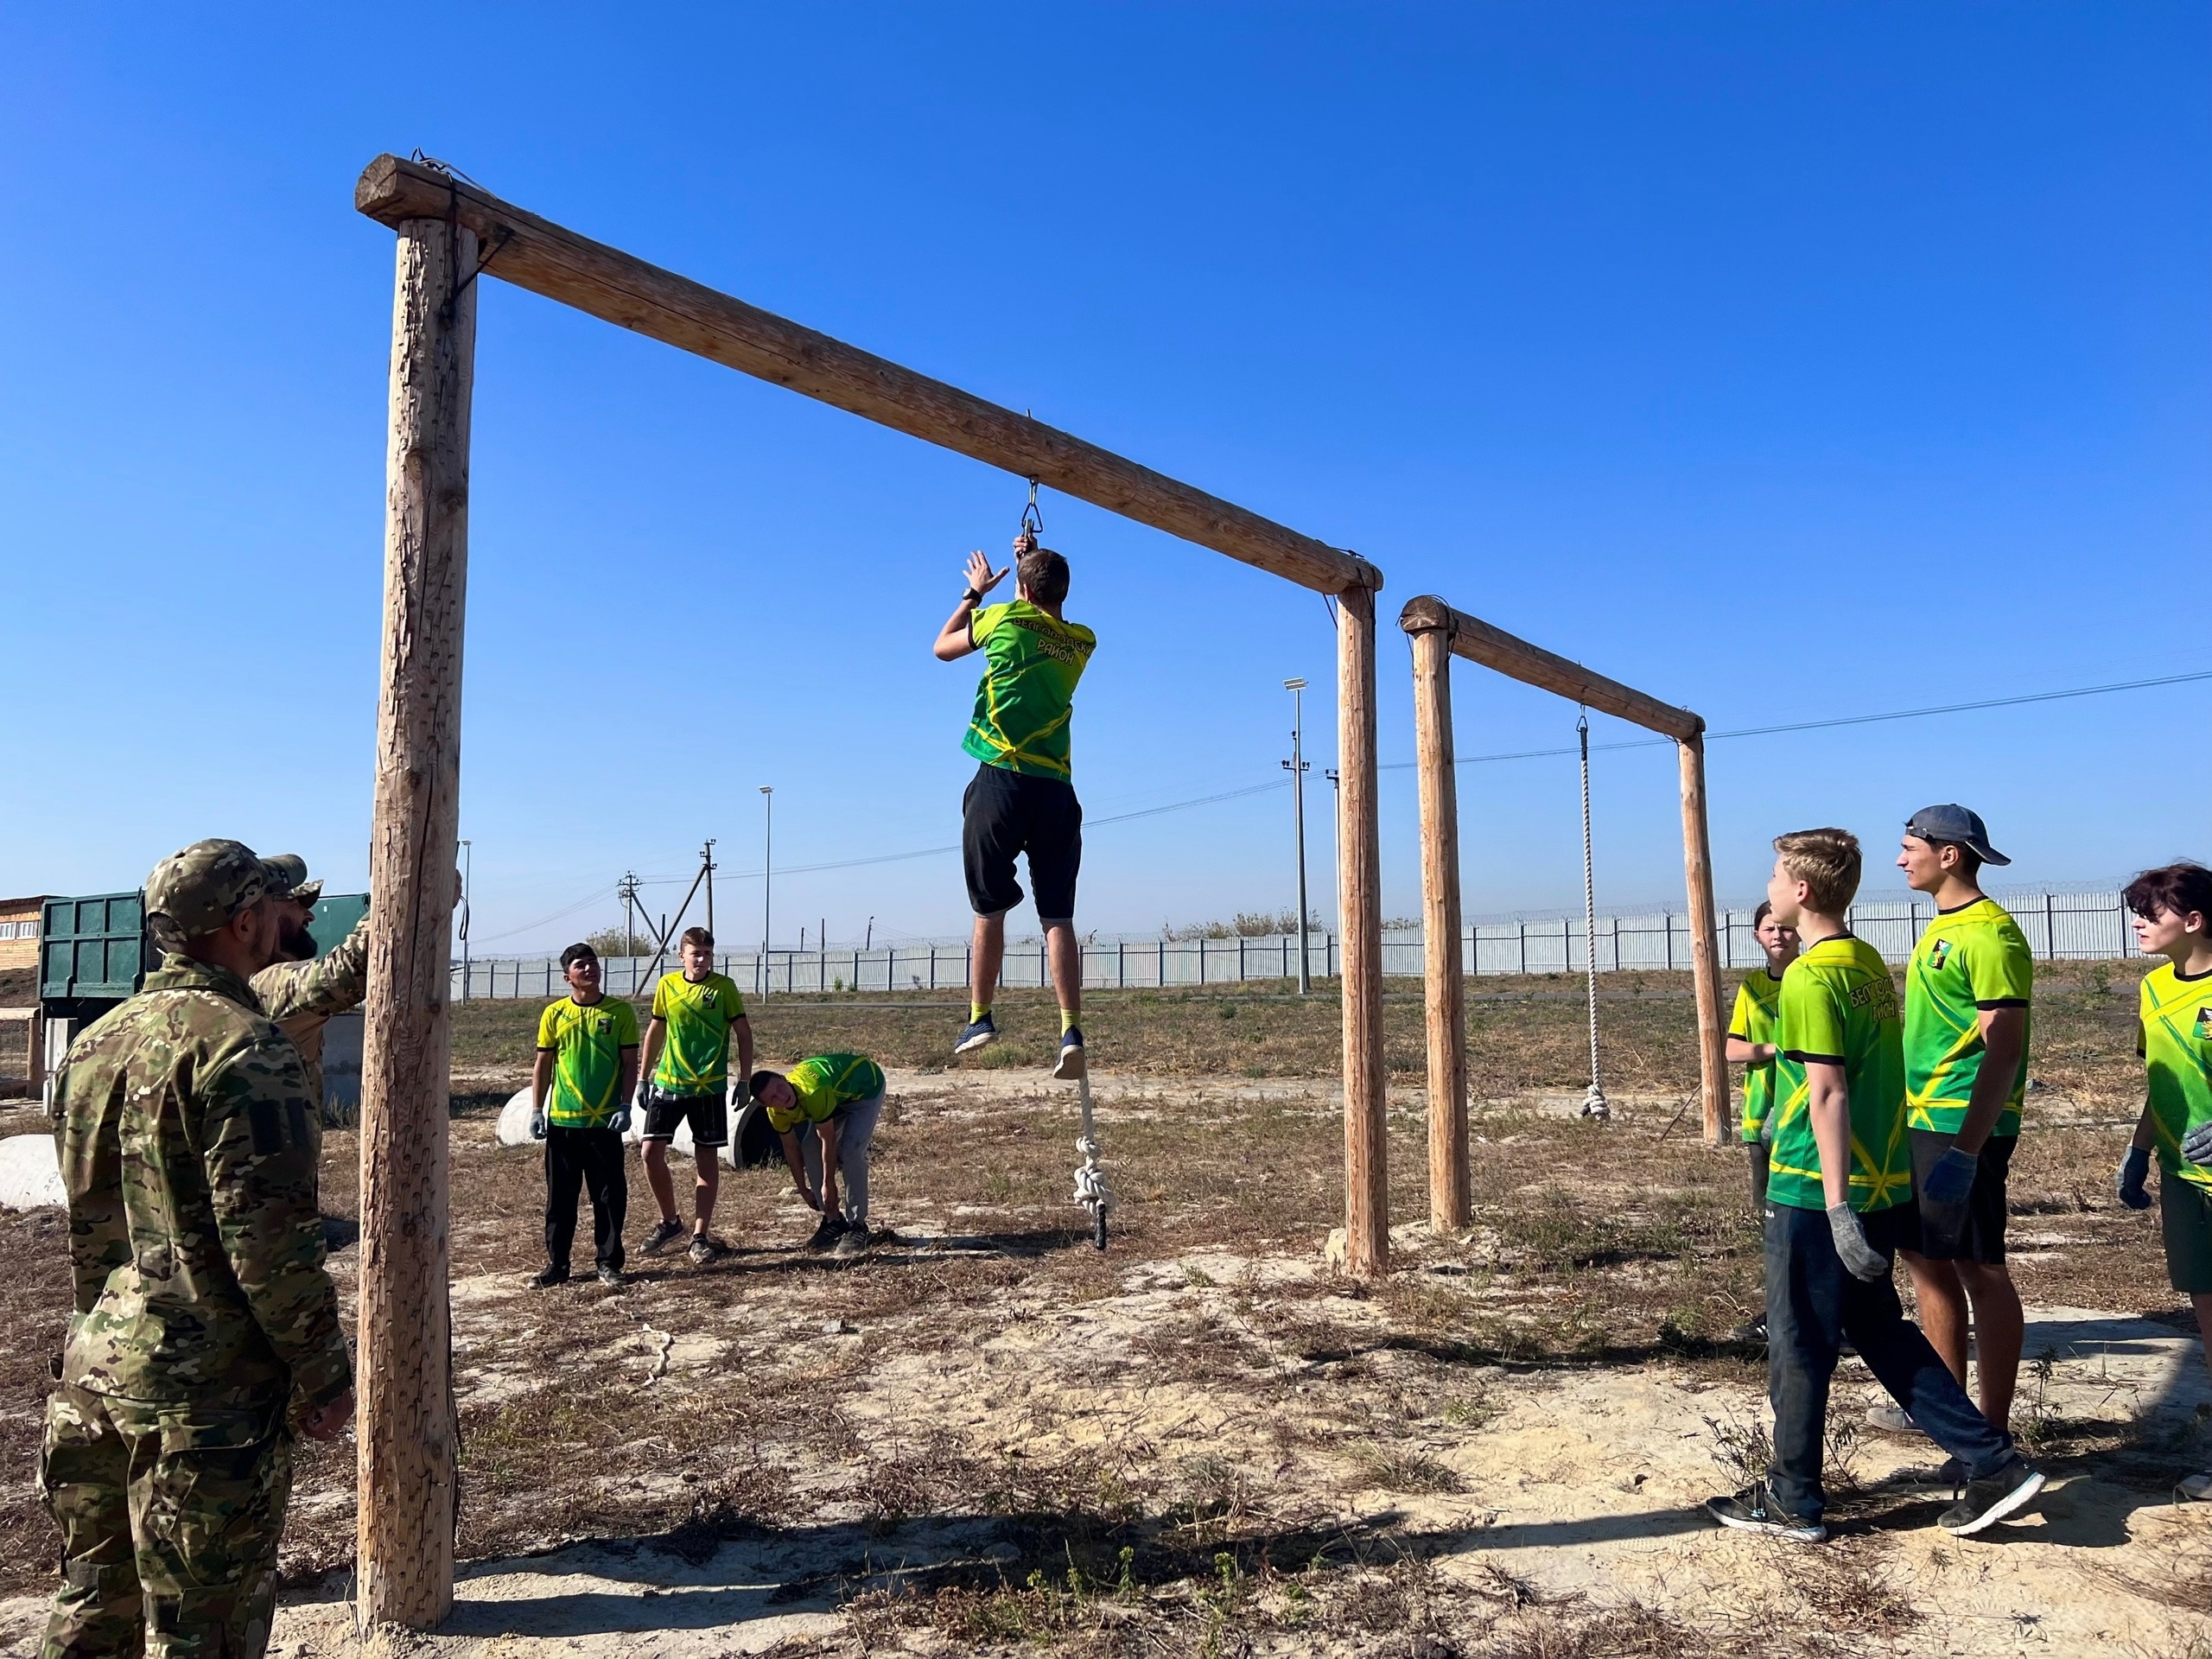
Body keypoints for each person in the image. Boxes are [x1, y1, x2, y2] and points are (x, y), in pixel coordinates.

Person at [41, 839, 354, 1659]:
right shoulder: (246, 1048)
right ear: (245, 920)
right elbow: (272, 1245)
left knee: (90, 1613)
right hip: (202, 1406)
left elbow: (91, 1230)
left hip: (94, 1378)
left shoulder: (94, 1045)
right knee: (202, 1634)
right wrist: (326, 1373)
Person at [1703, 827, 2041, 1543]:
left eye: (1773, 878)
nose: (1766, 890)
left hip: (1812, 1187)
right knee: (1880, 1331)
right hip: (1884, 1180)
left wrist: (1834, 1205)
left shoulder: (1810, 976)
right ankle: (1991, 1459)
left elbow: (1827, 1092)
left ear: (1800, 892)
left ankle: (1792, 1497)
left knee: (1799, 1340)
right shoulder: (1865, 963)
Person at [1882, 805, 2033, 1444]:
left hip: (1960, 1123)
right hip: (1923, 1118)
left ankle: (1990, 1428)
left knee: (1980, 1267)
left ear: (1950, 854)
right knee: (1924, 1259)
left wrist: (1968, 1149)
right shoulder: (1943, 927)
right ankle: (1947, 1413)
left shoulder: (1991, 935)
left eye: (1909, 845)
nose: (1900, 859)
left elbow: (2004, 1048)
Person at [932, 531, 1097, 1079]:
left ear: (1021, 590)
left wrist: (974, 594)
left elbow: (943, 646)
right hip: (1055, 790)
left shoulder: (999, 619)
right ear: (1064, 594)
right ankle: (1070, 1028)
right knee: (1058, 917)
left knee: (989, 907)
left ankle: (980, 1018)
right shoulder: (1081, 641)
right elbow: (1038, 610)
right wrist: (1027, 563)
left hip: (1001, 781)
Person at [2113, 862, 2212, 1498]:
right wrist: (2140, 1149)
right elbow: (2164, 1082)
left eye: (2153, 912)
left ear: (2195, 920)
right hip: (2183, 1177)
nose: (2140, 923)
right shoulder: (2153, 992)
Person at [637, 926, 753, 1265]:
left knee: (706, 1160)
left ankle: (699, 1235)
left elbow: (743, 1034)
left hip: (709, 1087)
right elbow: (656, 1029)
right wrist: (644, 1077)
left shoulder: (724, 988)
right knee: (649, 1152)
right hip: (669, 1083)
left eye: (707, 954)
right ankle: (670, 1220)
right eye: (695, 953)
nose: (701, 959)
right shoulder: (667, 986)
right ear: (681, 956)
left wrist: (744, 1080)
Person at [530, 943, 640, 1287]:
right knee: (560, 1199)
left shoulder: (619, 1012)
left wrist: (625, 1105)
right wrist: (537, 1109)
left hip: (604, 1123)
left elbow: (629, 1064)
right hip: (563, 1123)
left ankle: (608, 1262)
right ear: (567, 977)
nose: (589, 969)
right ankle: (557, 1266)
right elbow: (544, 1064)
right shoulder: (554, 1014)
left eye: (593, 963)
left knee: (608, 1196)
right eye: (581, 965)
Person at [1724, 899, 1802, 1341]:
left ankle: (1811, 1312)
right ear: (1756, 935)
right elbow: (1733, 1047)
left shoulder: (1810, 978)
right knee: (1772, 1225)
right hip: (1760, 1117)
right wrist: (1774, 1049)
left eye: (1786, 928)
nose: (1778, 935)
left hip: (1802, 1119)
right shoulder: (1751, 988)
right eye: (1769, 928)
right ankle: (1777, 1311)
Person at [248, 854, 368, 1113]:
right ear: (259, 914)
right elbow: (353, 967)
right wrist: (412, 896)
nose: (309, 915)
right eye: (297, 902)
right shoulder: (264, 987)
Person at [751, 1052, 888, 1259]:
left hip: (866, 1087)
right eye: (773, 1098)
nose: (781, 1096)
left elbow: (829, 1140)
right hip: (837, 1097)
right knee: (809, 1146)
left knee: (851, 1150)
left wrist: (828, 1183)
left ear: (783, 1078)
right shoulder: (776, 1114)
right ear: (767, 1106)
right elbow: (791, 1148)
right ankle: (833, 1220)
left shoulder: (813, 1091)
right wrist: (804, 1190)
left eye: (780, 1087)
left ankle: (858, 1225)